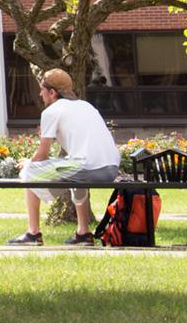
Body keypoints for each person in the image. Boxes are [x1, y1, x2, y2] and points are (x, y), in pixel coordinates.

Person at [15, 67, 120, 246]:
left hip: (88, 167)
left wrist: (28, 163)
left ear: (52, 92)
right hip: (111, 167)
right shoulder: (86, 106)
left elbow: (42, 154)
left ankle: (33, 234)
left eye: (42, 90)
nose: (40, 95)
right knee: (74, 172)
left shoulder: (51, 112)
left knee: (28, 173)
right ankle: (83, 233)